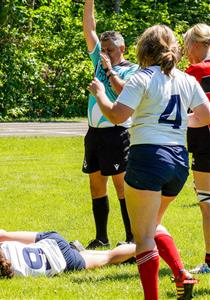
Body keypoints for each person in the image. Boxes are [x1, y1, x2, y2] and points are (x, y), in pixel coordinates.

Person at [88, 24, 210, 300]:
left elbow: (118, 116)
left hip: (148, 157)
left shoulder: (142, 77)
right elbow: (205, 116)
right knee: (152, 225)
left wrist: (100, 94)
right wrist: (179, 124)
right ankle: (180, 274)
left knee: (141, 236)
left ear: (144, 48)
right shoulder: (186, 79)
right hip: (178, 161)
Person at [82, 0, 139, 249]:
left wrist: (108, 69)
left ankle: (132, 236)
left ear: (122, 48)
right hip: (94, 134)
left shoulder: (131, 70)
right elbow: (89, 28)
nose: (105, 53)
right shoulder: (98, 58)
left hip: (117, 134)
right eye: (103, 50)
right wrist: (89, 3)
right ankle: (101, 237)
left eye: (110, 50)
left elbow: (123, 93)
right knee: (96, 185)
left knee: (122, 187)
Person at [0, 229, 135, 279]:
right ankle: (141, 245)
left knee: (109, 259)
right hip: (52, 241)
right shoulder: (3, 246)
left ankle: (143, 246)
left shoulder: (5, 273)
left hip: (60, 260)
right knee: (106, 256)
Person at [183, 23, 210, 275]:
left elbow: (201, 115)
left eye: (189, 43)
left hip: (206, 148)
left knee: (207, 205)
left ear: (202, 44)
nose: (186, 50)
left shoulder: (196, 71)